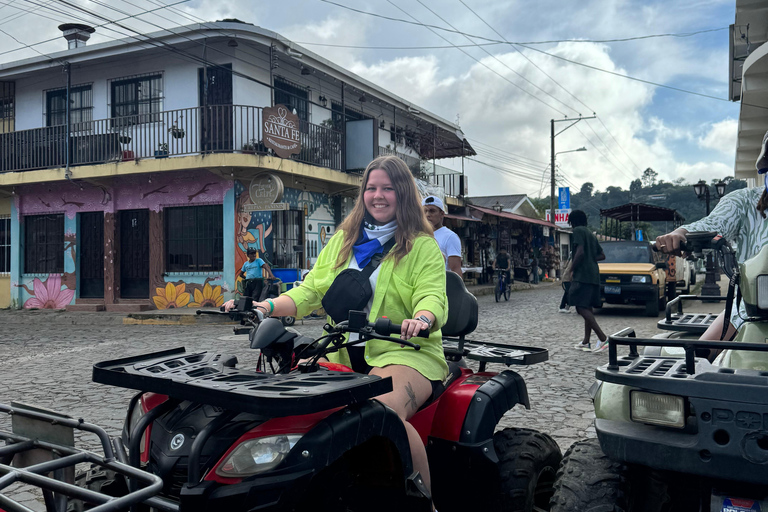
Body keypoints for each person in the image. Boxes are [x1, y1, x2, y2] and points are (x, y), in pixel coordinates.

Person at [226, 155, 448, 505]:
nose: (378, 195)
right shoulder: (344, 239)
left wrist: (421, 318)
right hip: (339, 351)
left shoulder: (421, 245)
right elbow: (310, 291)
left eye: (388, 188)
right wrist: (265, 306)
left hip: (405, 352)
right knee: (291, 404)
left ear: (404, 193)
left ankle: (425, 502)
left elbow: (432, 294)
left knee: (382, 414)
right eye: (371, 188)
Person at [656, 129, 768, 345]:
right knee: (700, 355)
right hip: (750, 310)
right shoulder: (745, 201)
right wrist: (681, 233)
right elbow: (713, 223)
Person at [568, 210, 608, 351]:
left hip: (583, 275)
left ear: (573, 221)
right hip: (594, 275)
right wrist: (590, 259)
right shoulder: (590, 234)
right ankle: (586, 341)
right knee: (588, 307)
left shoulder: (578, 231)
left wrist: (571, 269)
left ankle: (603, 338)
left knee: (580, 307)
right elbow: (602, 255)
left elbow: (580, 252)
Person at [422, 195, 463, 277]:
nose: (427, 215)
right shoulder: (418, 235)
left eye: (432, 211)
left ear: (442, 214)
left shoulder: (450, 237)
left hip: (441, 283)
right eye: (424, 211)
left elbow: (455, 270)